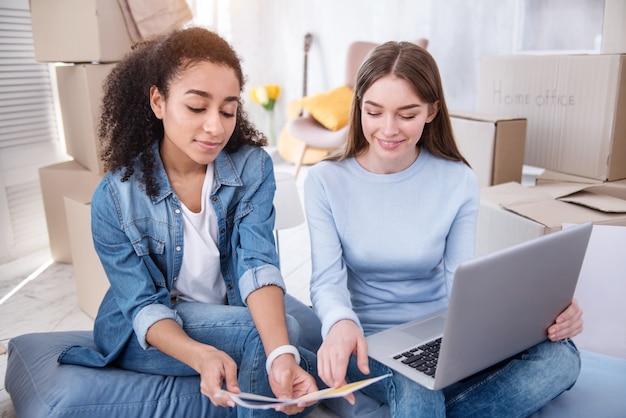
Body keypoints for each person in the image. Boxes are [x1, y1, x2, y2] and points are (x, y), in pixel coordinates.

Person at [303, 41, 584, 418]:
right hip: (366, 340)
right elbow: (326, 282)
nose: (388, 129)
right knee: (418, 392)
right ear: (360, 107)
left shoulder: (457, 180)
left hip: (443, 336)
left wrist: (542, 313)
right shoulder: (325, 180)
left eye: (407, 114)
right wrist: (339, 323)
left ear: (432, 110)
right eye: (374, 112)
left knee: (560, 358)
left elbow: (460, 277)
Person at [58, 27, 322, 417]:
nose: (215, 126)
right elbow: (143, 305)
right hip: (143, 328)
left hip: (223, 305)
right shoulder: (116, 197)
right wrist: (200, 355)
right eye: (197, 108)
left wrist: (281, 352)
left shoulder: (253, 168)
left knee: (295, 335)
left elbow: (257, 263)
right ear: (158, 101)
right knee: (263, 335)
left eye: (228, 110)